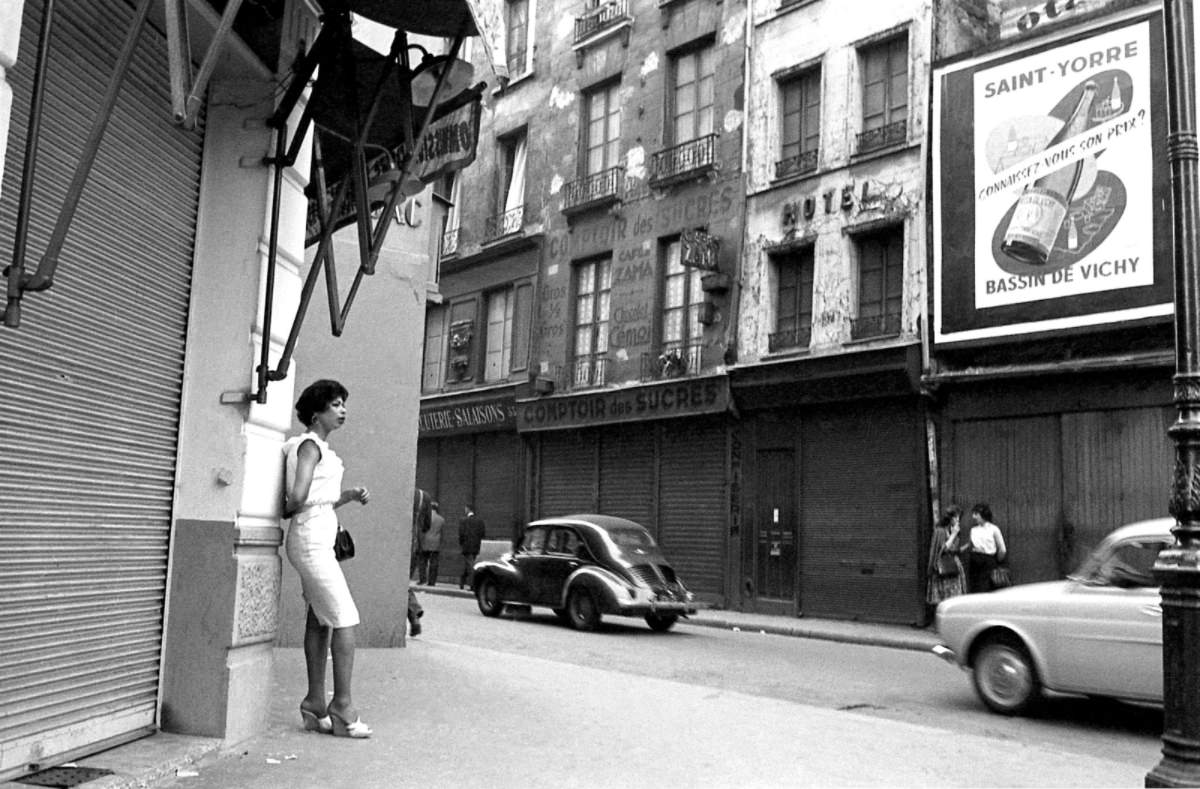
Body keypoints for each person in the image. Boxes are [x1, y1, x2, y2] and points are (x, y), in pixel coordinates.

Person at [282, 379, 372, 739]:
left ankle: (315, 703)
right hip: (311, 544)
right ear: (317, 412)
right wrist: (286, 508)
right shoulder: (309, 446)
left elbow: (313, 497)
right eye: (335, 404)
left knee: (320, 620)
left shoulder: (313, 446)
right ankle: (343, 706)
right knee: (345, 618)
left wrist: (346, 496)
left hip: (313, 540)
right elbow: (299, 495)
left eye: (343, 404)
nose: (342, 410)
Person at [926, 505, 967, 605]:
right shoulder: (940, 531)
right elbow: (943, 549)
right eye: (956, 517)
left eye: (958, 517)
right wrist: (953, 535)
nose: (958, 520)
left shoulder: (953, 530)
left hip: (953, 565)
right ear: (950, 518)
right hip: (942, 566)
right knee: (943, 598)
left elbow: (954, 549)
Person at [965, 502, 1008, 593]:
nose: (973, 517)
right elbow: (970, 545)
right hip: (974, 562)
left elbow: (1002, 550)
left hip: (988, 562)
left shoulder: (994, 529)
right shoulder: (973, 530)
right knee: (975, 588)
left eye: (976, 514)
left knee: (987, 588)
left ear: (983, 515)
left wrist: (995, 560)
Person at [458, 504, 486, 589]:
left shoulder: (463, 520)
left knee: (470, 565)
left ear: (467, 509)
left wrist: (462, 543)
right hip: (477, 546)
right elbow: (482, 533)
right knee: (470, 564)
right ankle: (462, 581)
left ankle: (472, 584)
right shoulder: (480, 521)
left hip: (467, 546)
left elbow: (461, 534)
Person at [418, 501, 444, 586]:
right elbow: (442, 533)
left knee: (422, 562)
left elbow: (421, 530)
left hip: (425, 542)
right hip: (435, 543)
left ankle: (422, 579)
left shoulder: (425, 518)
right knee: (434, 563)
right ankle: (432, 582)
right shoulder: (441, 519)